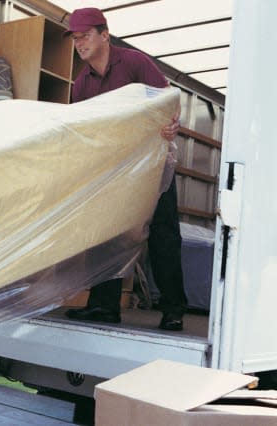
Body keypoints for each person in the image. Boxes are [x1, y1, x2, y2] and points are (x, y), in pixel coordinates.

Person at [63, 8, 187, 331]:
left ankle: (173, 309)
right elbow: (82, 131)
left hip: (153, 166)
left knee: (162, 235)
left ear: (105, 34)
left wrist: (172, 124)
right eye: (75, 38)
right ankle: (104, 307)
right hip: (114, 172)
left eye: (85, 35)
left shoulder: (134, 63)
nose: (79, 43)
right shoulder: (81, 85)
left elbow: (167, 101)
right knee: (106, 235)